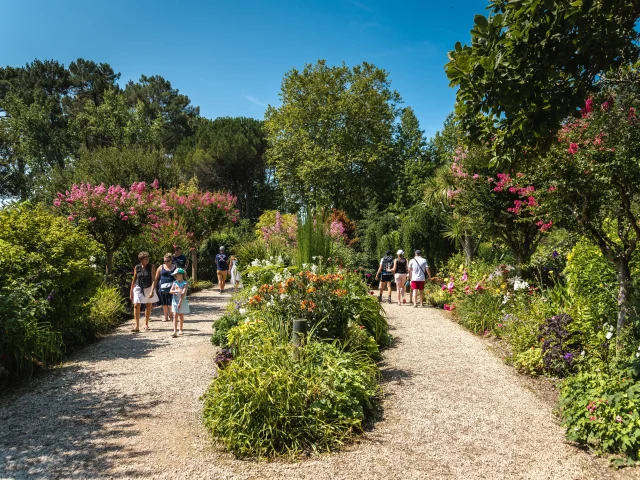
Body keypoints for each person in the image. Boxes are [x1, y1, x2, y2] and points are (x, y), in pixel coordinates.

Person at [130, 251, 159, 332]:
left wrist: (152, 290)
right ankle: (136, 326)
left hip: (149, 287)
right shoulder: (137, 267)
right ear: (141, 260)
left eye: (148, 258)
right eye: (146, 259)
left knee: (148, 305)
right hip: (138, 287)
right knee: (136, 304)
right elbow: (134, 279)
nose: (147, 260)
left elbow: (154, 279)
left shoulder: (151, 266)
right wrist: (131, 291)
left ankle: (146, 324)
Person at [154, 253, 176, 322]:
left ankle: (171, 315)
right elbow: (156, 278)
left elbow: (178, 277)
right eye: (165, 261)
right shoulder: (161, 267)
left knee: (171, 303)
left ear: (171, 260)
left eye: (167, 261)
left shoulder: (175, 267)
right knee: (164, 303)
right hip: (162, 287)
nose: (166, 262)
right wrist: (154, 288)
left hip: (172, 287)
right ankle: (166, 316)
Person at [169, 268, 190, 337]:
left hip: (182, 301)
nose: (175, 276)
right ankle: (174, 331)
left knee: (181, 315)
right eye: (174, 275)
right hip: (175, 300)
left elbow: (183, 293)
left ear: (181, 275)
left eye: (176, 275)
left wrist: (180, 302)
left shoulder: (185, 283)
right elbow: (170, 291)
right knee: (175, 315)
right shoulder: (175, 282)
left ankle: (180, 329)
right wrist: (176, 291)